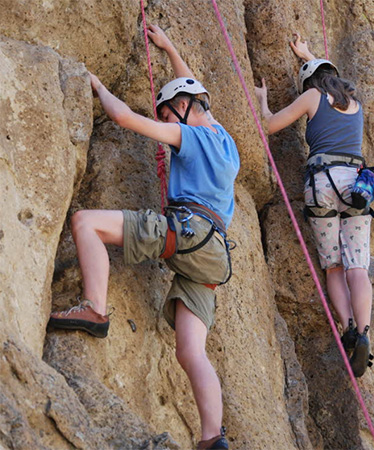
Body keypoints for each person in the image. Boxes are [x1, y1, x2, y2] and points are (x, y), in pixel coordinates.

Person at [48, 24, 238, 449]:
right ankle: (213, 438)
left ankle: (95, 309)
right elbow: (195, 93)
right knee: (191, 352)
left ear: (185, 107)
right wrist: (169, 46)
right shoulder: (226, 141)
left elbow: (124, 118)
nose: (165, 121)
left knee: (85, 223)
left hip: (186, 232)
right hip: (213, 255)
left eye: (168, 113)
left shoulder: (189, 134)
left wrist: (96, 84)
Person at [255, 33, 374, 378]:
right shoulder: (354, 104)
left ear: (311, 81)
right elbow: (324, 72)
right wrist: (307, 53)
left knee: (334, 265)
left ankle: (348, 327)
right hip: (357, 184)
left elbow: (269, 125)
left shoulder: (312, 95)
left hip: (323, 182)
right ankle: (364, 331)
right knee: (358, 266)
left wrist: (263, 100)